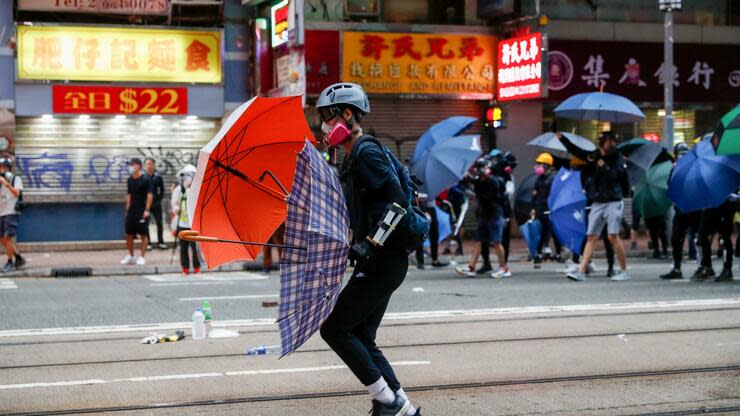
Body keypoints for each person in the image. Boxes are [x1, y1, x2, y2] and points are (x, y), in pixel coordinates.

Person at [316, 82, 421, 416]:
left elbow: (399, 203)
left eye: (328, 118)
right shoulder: (353, 157)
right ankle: (403, 407)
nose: (324, 126)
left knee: (334, 329)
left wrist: (370, 243)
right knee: (361, 333)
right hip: (382, 260)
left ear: (348, 114)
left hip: (384, 260)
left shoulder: (366, 152)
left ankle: (388, 401)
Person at [567, 132, 630, 281]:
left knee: (612, 236)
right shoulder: (595, 155)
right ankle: (581, 271)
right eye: (609, 141)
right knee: (591, 237)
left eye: (612, 141)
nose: (611, 144)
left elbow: (616, 176)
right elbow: (578, 152)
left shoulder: (617, 158)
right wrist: (562, 138)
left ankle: (624, 270)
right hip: (597, 201)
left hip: (613, 200)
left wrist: (603, 166)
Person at [455, 157, 511, 278]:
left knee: (496, 242)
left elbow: (490, 198)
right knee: (479, 241)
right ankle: (471, 266)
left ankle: (504, 268)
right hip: (483, 215)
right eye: (478, 167)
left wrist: (475, 195)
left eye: (482, 167)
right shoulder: (479, 181)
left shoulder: (493, 181)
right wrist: (464, 178)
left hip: (494, 214)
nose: (479, 170)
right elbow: (465, 185)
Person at [660, 143, 701, 280]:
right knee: (676, 239)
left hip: (693, 207)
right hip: (681, 208)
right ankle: (676, 267)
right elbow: (669, 185)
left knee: (698, 239)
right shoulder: (675, 168)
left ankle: (703, 266)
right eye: (679, 154)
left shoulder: (695, 166)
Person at [531, 152, 563, 265]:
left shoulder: (553, 178)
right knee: (543, 231)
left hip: (551, 209)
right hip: (540, 209)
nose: (537, 167)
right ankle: (539, 253)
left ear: (546, 166)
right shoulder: (539, 179)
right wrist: (533, 208)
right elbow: (534, 194)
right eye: (537, 164)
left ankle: (558, 253)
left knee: (554, 231)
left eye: (540, 164)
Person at [121, 158, 153, 266]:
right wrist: (127, 210)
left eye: (132, 165)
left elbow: (150, 195)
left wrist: (147, 210)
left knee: (143, 234)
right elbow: (129, 195)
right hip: (132, 211)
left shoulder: (146, 179)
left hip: (142, 211)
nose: (130, 167)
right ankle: (131, 255)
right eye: (130, 165)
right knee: (128, 234)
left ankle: (142, 257)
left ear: (138, 166)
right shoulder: (130, 179)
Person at [171, 164, 200, 275]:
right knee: (183, 248)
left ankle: (197, 267)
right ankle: (185, 268)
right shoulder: (179, 190)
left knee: (195, 248)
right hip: (182, 224)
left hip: (193, 225)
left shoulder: (197, 190)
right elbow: (174, 203)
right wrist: (175, 208)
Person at [0, 156, 25, 272]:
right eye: (0, 167)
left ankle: (10, 262)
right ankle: (19, 258)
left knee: (7, 237)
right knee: (3, 239)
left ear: (8, 168)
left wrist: (7, 184)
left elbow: (16, 193)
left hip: (11, 211)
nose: (2, 169)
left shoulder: (16, 179)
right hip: (1, 212)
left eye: (4, 167)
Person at [145, 158, 167, 250]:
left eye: (150, 164)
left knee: (159, 224)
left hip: (156, 205)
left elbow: (162, 190)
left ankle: (160, 242)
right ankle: (148, 243)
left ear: (154, 165)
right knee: (146, 225)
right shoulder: (143, 177)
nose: (149, 166)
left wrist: (159, 200)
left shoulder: (158, 177)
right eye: (147, 164)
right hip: (146, 206)